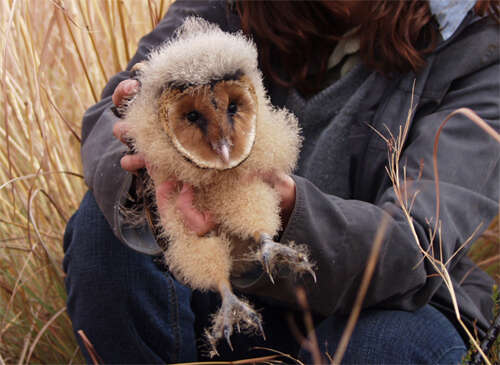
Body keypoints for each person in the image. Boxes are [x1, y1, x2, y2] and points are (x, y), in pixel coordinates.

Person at [63, 0, 500, 363]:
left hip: (395, 306)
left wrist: (282, 210)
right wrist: (145, 163)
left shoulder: (482, 51)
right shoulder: (229, 7)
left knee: (371, 352)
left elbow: (416, 245)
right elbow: (116, 112)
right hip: (227, 291)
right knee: (107, 232)